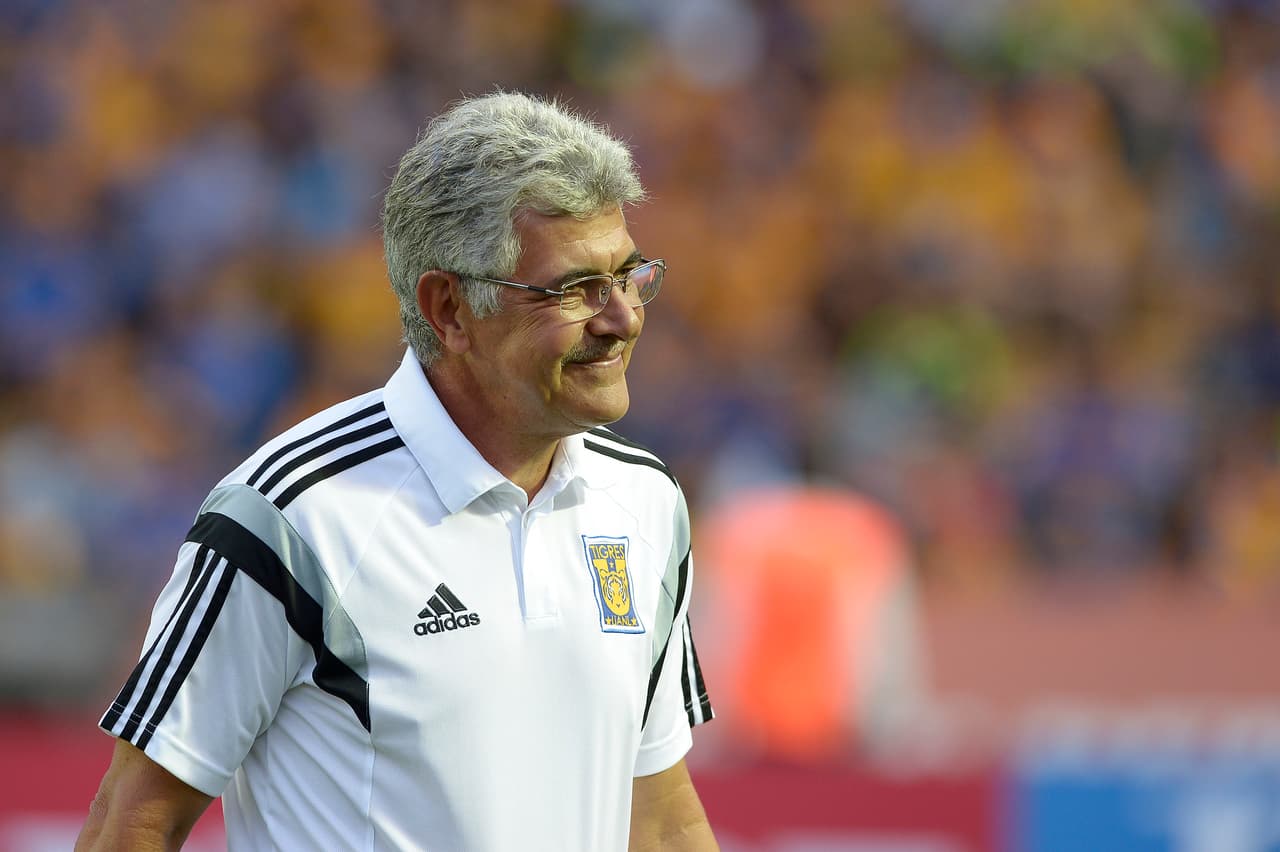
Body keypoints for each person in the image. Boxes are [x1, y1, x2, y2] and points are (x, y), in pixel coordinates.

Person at [76, 91, 717, 851]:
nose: (623, 318)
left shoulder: (644, 501)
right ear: (449, 307)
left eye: (630, 274)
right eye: (575, 289)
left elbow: (656, 810)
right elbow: (133, 820)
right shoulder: (289, 515)